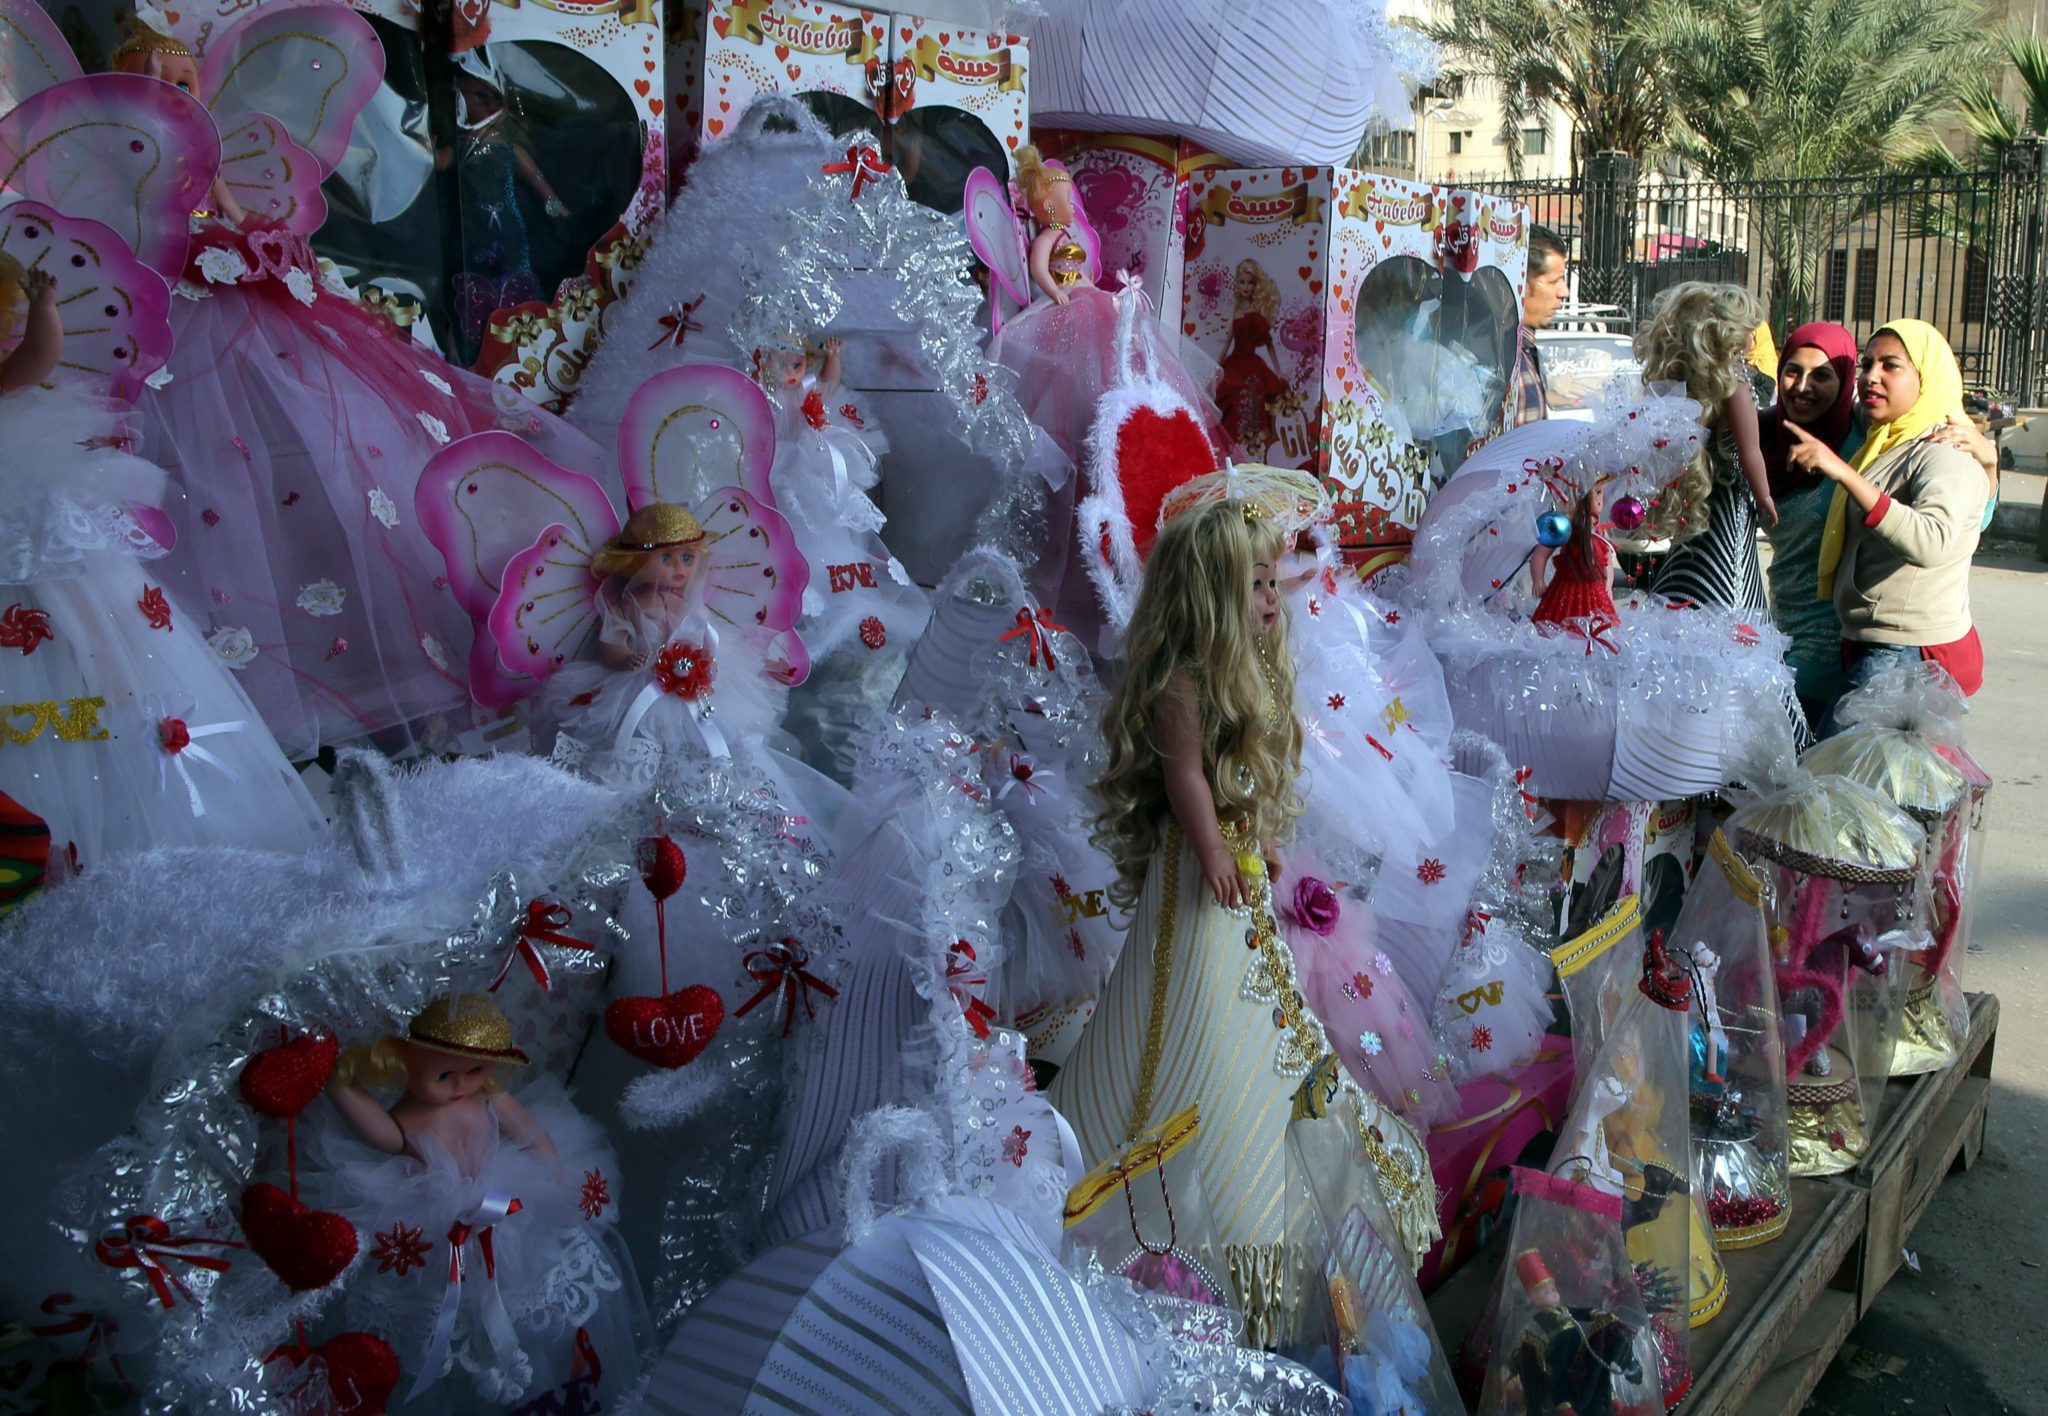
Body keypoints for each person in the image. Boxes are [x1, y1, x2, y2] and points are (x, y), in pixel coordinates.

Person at [1790, 320, 1988, 712]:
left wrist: (1843, 472)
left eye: (1891, 366)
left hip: (1900, 650)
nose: (1871, 377)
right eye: (1867, 364)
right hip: (1870, 642)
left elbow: (1933, 540)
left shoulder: (1942, 450)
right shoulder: (1883, 440)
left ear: (1926, 377)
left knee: (1840, 771)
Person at [1637, 283, 1775, 611]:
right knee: (1732, 570)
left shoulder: (1694, 383)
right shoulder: (1735, 387)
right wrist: (1764, 495)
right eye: (1747, 331)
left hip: (1703, 489)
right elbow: (1750, 451)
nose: (1753, 339)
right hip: (1731, 492)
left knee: (1696, 552)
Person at [1761, 323, 1861, 720]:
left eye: (1821, 375)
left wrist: (1988, 468)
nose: (1802, 386)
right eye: (1793, 371)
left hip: (1837, 640)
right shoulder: (1762, 437)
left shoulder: (1865, 439)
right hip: (1780, 628)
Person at [1509, 225, 1569, 427]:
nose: (1564, 291)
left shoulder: (1525, 349)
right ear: (1521, 285)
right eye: (1554, 281)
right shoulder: (1503, 358)